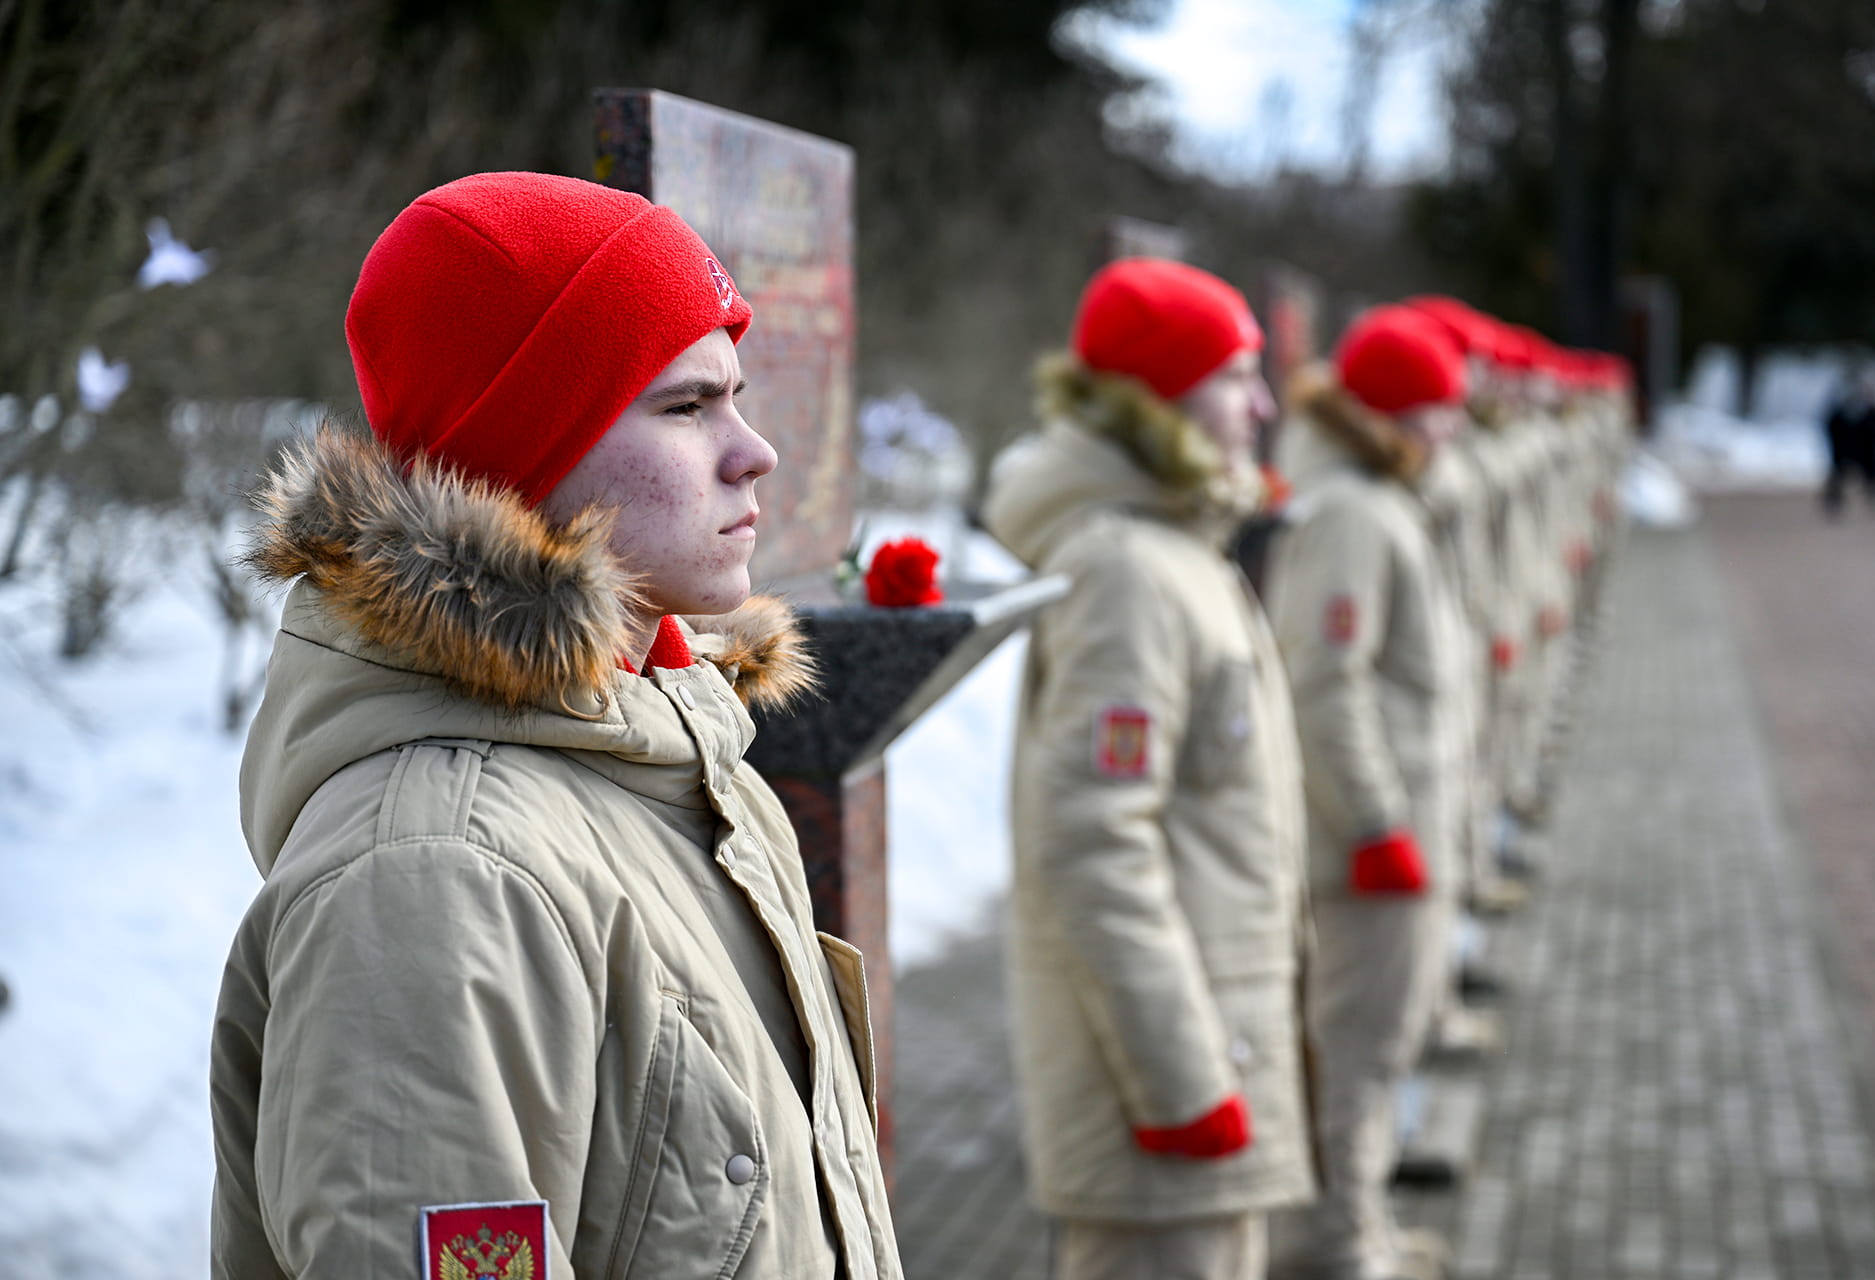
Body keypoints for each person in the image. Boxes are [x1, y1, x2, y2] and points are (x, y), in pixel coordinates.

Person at [209, 172, 901, 1280]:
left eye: (736, 394)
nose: (752, 449)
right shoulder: (440, 871)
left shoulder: (669, 748)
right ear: (523, 449)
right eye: (686, 405)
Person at [981, 258, 1316, 1280]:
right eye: (1233, 376)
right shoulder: (1126, 567)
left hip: (1215, 1047)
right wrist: (1179, 1083)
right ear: (1161, 399)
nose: (1262, 405)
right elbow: (1092, 838)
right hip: (1165, 1084)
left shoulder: (1174, 547)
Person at [1261, 306, 1473, 1280]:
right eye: (1434, 410)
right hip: (1368, 850)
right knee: (1357, 1053)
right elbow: (1324, 681)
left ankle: (1360, 1230)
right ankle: (1340, 1248)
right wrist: (1377, 822)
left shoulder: (1376, 497)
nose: (1451, 430)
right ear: (1389, 413)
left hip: (1397, 836)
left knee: (1373, 1046)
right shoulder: (1352, 509)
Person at [1822, 369, 1875, 517]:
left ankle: (1874, 500)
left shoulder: (1870, 414)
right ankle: (1835, 502)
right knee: (1839, 475)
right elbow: (1831, 425)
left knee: (1870, 474)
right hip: (1844, 448)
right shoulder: (1841, 416)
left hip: (1865, 450)